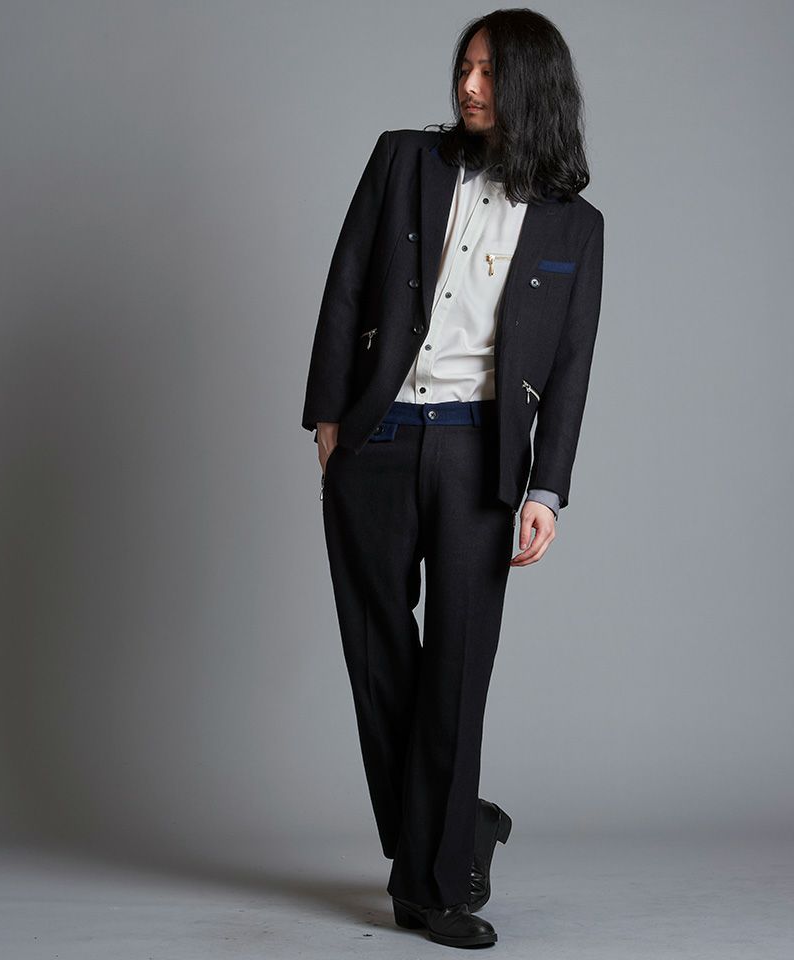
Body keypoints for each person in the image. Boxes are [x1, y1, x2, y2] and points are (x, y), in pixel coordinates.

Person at [301, 8, 604, 949]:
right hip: (378, 437)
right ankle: (453, 829)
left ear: (532, 89)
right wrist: (328, 416)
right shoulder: (404, 160)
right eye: (464, 67)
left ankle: (432, 888)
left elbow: (571, 367)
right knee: (377, 650)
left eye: (488, 73)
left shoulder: (577, 226)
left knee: (457, 668)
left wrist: (546, 490)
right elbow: (346, 278)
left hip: (480, 455)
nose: (469, 87)